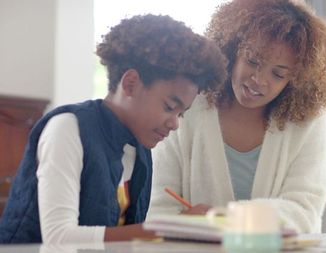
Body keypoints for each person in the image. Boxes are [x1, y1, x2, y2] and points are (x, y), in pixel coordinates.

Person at [0, 14, 227, 243]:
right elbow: (59, 237)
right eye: (169, 107)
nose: (175, 123)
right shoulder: (68, 128)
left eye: (181, 113)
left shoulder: (139, 148)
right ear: (130, 83)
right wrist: (174, 226)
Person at [149, 0, 326, 233]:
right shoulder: (189, 106)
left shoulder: (308, 121)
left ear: (296, 79)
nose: (258, 80)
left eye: (278, 74)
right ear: (231, 51)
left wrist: (225, 218)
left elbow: (304, 211)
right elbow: (157, 207)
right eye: (252, 61)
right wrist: (184, 221)